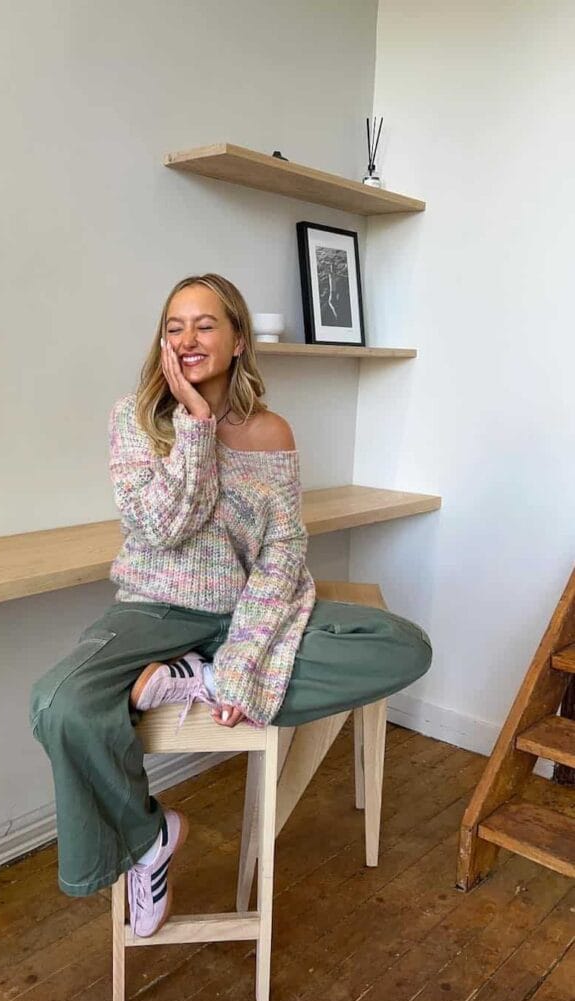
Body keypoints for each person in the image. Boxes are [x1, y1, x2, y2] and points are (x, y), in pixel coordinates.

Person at [29, 272, 432, 939]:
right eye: (174, 327)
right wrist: (194, 426)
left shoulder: (271, 433)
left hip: (247, 615)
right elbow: (162, 528)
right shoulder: (136, 420)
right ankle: (149, 838)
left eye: (205, 324)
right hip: (154, 611)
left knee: (402, 644)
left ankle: (205, 678)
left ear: (239, 339)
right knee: (58, 703)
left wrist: (241, 666)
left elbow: (282, 554)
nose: (187, 338)